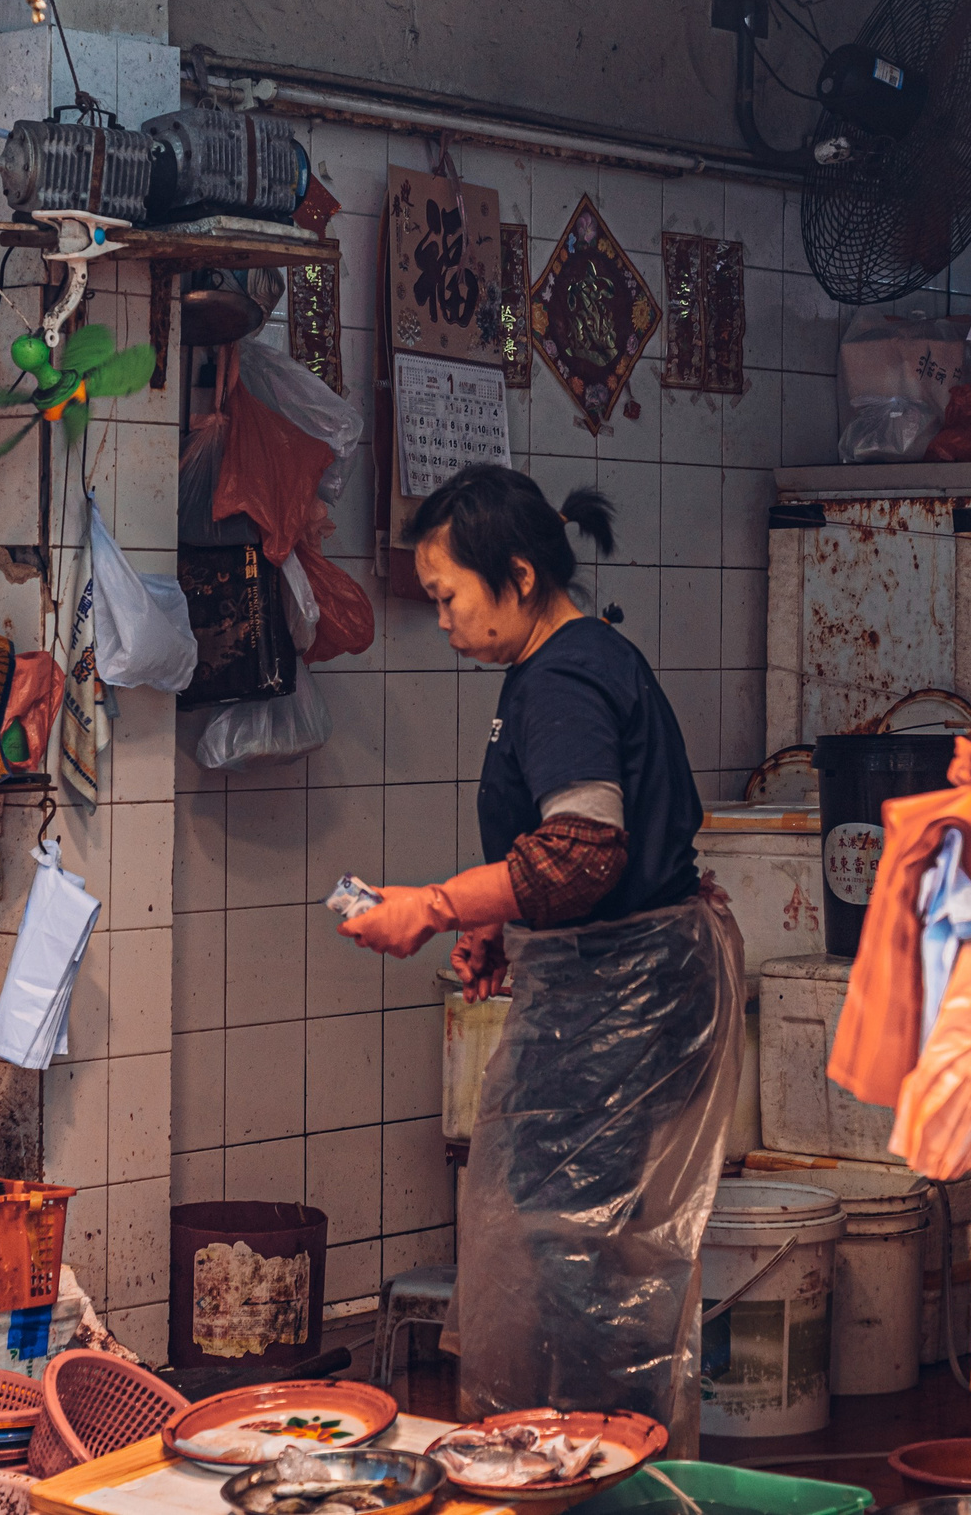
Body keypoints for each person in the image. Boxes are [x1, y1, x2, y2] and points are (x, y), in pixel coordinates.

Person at [337, 464, 742, 1443]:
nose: (440, 619)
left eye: (447, 596)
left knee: (578, 1247)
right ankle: (570, 1449)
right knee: (571, 1233)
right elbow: (553, 845)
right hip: (617, 979)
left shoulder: (562, 672)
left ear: (516, 574)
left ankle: (595, 1463)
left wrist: (435, 905)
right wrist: (495, 923)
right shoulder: (558, 663)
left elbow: (582, 849)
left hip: (628, 989)